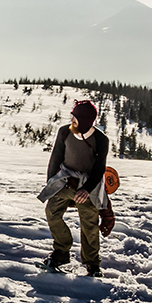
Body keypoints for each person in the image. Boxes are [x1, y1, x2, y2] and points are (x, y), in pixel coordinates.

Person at [38, 99, 111, 277]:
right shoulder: (64, 132)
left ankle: (92, 264)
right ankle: (62, 252)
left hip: (88, 186)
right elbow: (55, 159)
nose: (73, 120)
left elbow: (99, 169)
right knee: (52, 213)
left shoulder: (101, 140)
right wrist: (51, 184)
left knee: (89, 224)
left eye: (76, 117)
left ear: (86, 120)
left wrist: (86, 189)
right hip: (64, 181)